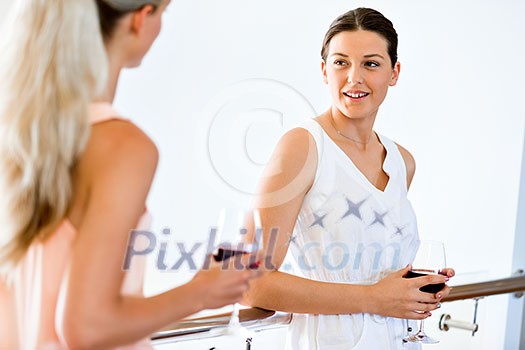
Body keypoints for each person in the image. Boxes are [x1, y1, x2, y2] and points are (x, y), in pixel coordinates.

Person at [0, 1, 259, 349]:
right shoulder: (122, 146)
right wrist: (202, 292)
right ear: (141, 19)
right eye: (162, 14)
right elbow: (87, 326)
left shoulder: (21, 136)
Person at [244, 7, 455, 350]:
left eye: (371, 64)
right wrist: (373, 298)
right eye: (341, 62)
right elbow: (250, 282)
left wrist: (414, 289)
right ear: (324, 70)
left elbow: (370, 263)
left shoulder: (403, 162)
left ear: (394, 72)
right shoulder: (303, 147)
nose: (354, 78)